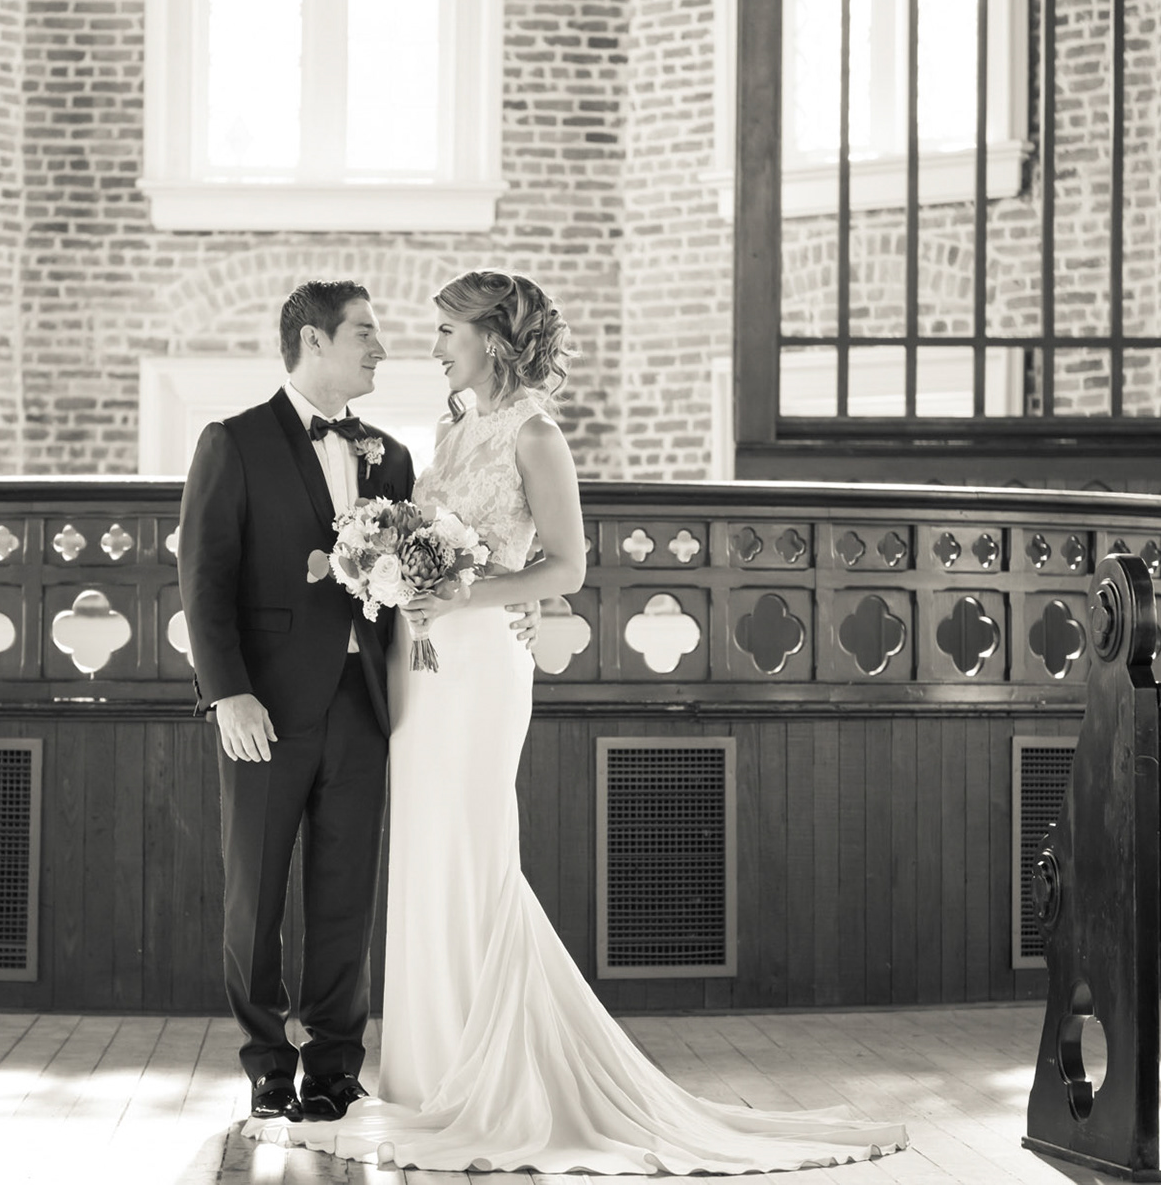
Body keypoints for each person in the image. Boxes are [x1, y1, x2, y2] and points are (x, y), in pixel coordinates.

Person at [245, 271, 909, 1174]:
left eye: (447, 331)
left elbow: (564, 568)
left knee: (474, 850)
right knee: (427, 854)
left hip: (481, 667)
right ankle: (424, 1071)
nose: (431, 346)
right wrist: (385, 573)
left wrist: (459, 590)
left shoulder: (535, 434)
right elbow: (415, 543)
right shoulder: (448, 429)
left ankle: (489, 1080)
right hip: (419, 670)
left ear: (492, 338)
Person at [176, 279, 536, 1125]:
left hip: (370, 703)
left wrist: (510, 595)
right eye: (365, 334)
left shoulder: (393, 455)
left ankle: (336, 1067)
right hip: (262, 707)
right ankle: (267, 1064)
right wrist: (227, 694)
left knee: (346, 897)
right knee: (253, 897)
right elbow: (203, 581)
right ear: (312, 342)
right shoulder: (231, 442)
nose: (383, 349)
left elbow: (426, 569)